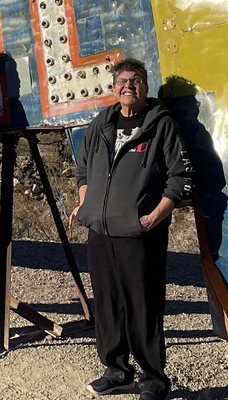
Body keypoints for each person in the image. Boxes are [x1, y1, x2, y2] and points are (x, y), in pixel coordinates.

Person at [70, 58, 193, 399]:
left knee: (143, 305)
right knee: (108, 304)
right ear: (114, 88)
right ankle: (117, 371)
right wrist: (85, 205)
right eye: (122, 81)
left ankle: (153, 379)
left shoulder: (161, 125)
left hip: (140, 233)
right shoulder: (102, 123)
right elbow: (84, 170)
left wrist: (153, 218)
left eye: (135, 80)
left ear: (145, 87)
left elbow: (180, 177)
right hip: (101, 231)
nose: (128, 86)